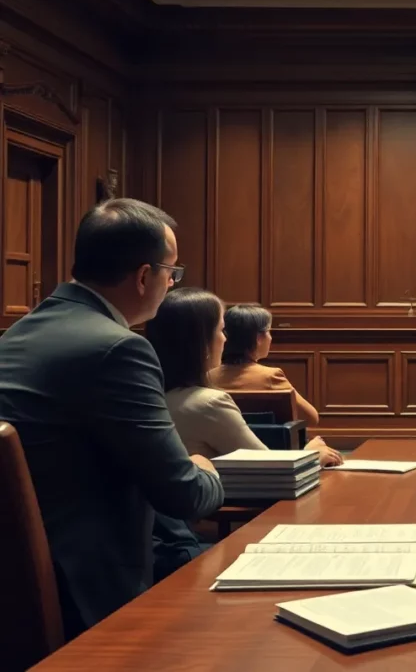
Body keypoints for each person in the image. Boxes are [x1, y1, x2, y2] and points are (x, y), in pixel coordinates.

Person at [0, 199, 224, 637]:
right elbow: (182, 494)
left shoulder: (19, 333)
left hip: (16, 583)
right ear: (145, 276)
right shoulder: (119, 348)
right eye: (172, 272)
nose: (172, 284)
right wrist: (206, 469)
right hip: (88, 593)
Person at [147, 288, 342, 467]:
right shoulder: (209, 403)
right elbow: (270, 470)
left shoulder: (148, 397)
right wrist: (312, 454)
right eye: (220, 330)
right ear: (200, 343)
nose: (225, 339)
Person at [209, 303, 319, 425]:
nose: (271, 338)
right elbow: (311, 418)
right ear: (258, 338)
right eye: (269, 331)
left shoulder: (208, 376)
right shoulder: (271, 376)